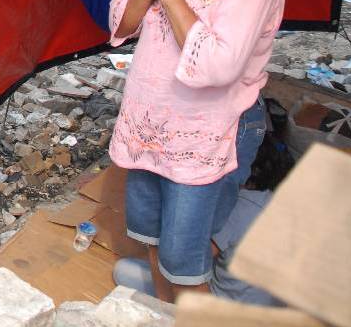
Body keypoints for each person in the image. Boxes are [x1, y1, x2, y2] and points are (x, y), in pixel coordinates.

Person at [107, 0, 288, 304]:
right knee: (151, 234)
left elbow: (217, 63)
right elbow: (121, 22)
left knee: (185, 255)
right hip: (149, 123)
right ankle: (162, 319)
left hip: (207, 132)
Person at [113, 119, 296, 306]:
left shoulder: (242, 207)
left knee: (124, 270)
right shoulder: (284, 209)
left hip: (221, 309)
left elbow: (188, 262)